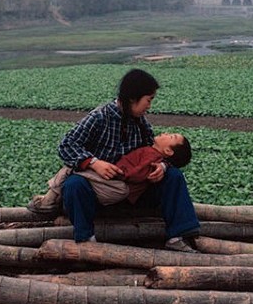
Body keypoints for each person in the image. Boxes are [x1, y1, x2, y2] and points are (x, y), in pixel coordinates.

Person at [54, 68, 200, 252]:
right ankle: (86, 242)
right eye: (149, 100)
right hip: (101, 193)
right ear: (133, 98)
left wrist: (163, 166)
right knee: (74, 185)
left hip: (133, 193)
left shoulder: (141, 122)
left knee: (173, 176)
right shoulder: (99, 117)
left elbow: (158, 151)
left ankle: (178, 236)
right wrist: (94, 163)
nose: (149, 106)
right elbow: (66, 146)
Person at [28, 132, 192, 212]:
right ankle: (52, 198)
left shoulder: (153, 156)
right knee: (76, 171)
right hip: (117, 184)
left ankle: (50, 199)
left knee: (75, 168)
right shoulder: (150, 148)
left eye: (171, 136)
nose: (165, 133)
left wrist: (119, 172)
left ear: (168, 151)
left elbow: (137, 173)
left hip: (119, 185)